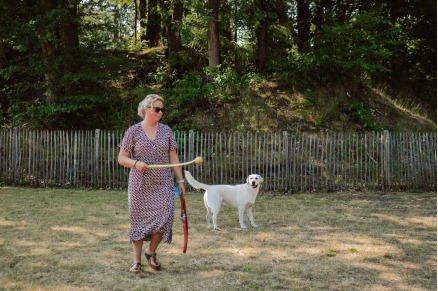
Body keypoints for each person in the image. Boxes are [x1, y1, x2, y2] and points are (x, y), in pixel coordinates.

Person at [118, 94, 185, 273]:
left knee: (166, 218)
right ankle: (136, 261)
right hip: (140, 184)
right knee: (138, 223)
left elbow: (173, 157)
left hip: (163, 182)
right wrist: (136, 163)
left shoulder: (166, 131)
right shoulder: (133, 131)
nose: (161, 112)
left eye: (162, 109)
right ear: (146, 109)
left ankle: (151, 252)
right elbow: (122, 158)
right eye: (157, 109)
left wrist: (180, 180)